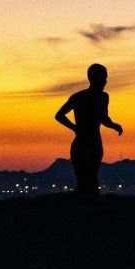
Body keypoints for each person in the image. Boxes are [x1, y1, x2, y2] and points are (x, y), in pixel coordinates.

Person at [55, 64, 123, 195]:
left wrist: (114, 126)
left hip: (91, 144)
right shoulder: (84, 97)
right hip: (85, 144)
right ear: (94, 78)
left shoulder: (100, 97)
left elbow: (104, 119)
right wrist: (75, 128)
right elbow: (59, 115)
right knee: (86, 181)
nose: (105, 81)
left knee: (89, 180)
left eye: (105, 78)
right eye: (103, 78)